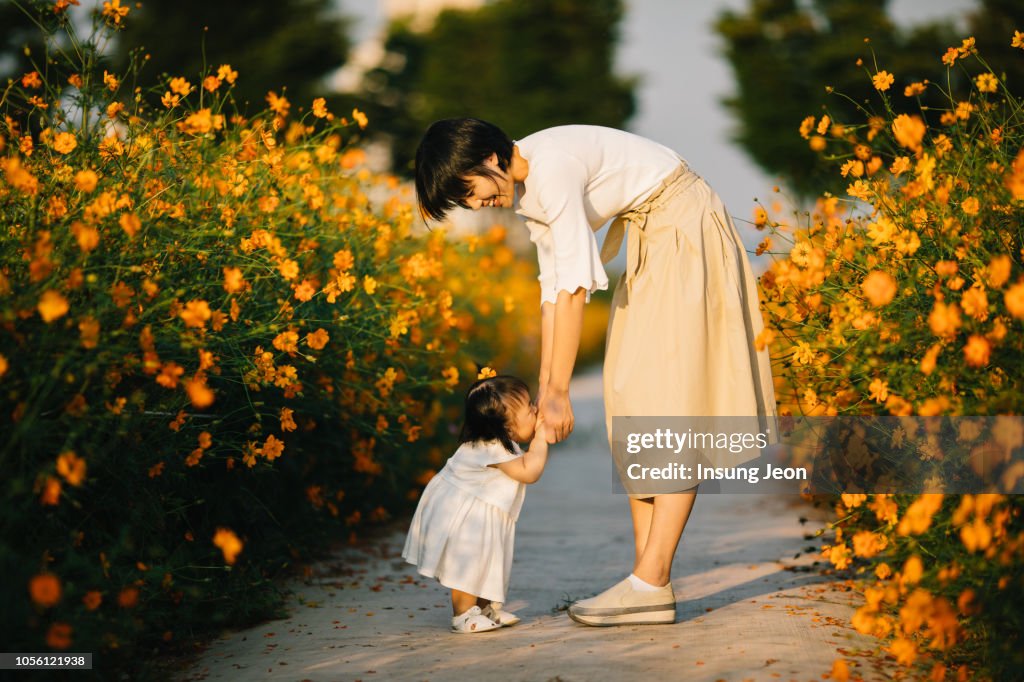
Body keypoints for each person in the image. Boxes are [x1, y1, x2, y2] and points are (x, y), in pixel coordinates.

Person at [414, 119, 776, 626]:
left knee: (666, 401)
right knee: (630, 395)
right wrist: (547, 388)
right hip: (656, 233)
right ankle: (646, 582)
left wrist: (560, 390)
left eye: (467, 192)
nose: (475, 206)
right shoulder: (529, 193)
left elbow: (574, 289)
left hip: (682, 224)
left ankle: (651, 581)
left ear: (490, 161)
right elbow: (552, 290)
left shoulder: (551, 168)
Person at [402, 375, 550, 633]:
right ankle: (462, 615)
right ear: (504, 425)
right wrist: (542, 438)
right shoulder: (489, 448)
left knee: (488, 561)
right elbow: (529, 472)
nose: (535, 411)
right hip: (463, 513)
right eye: (529, 409)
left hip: (481, 509)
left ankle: (484, 609)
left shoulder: (498, 442)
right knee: (468, 562)